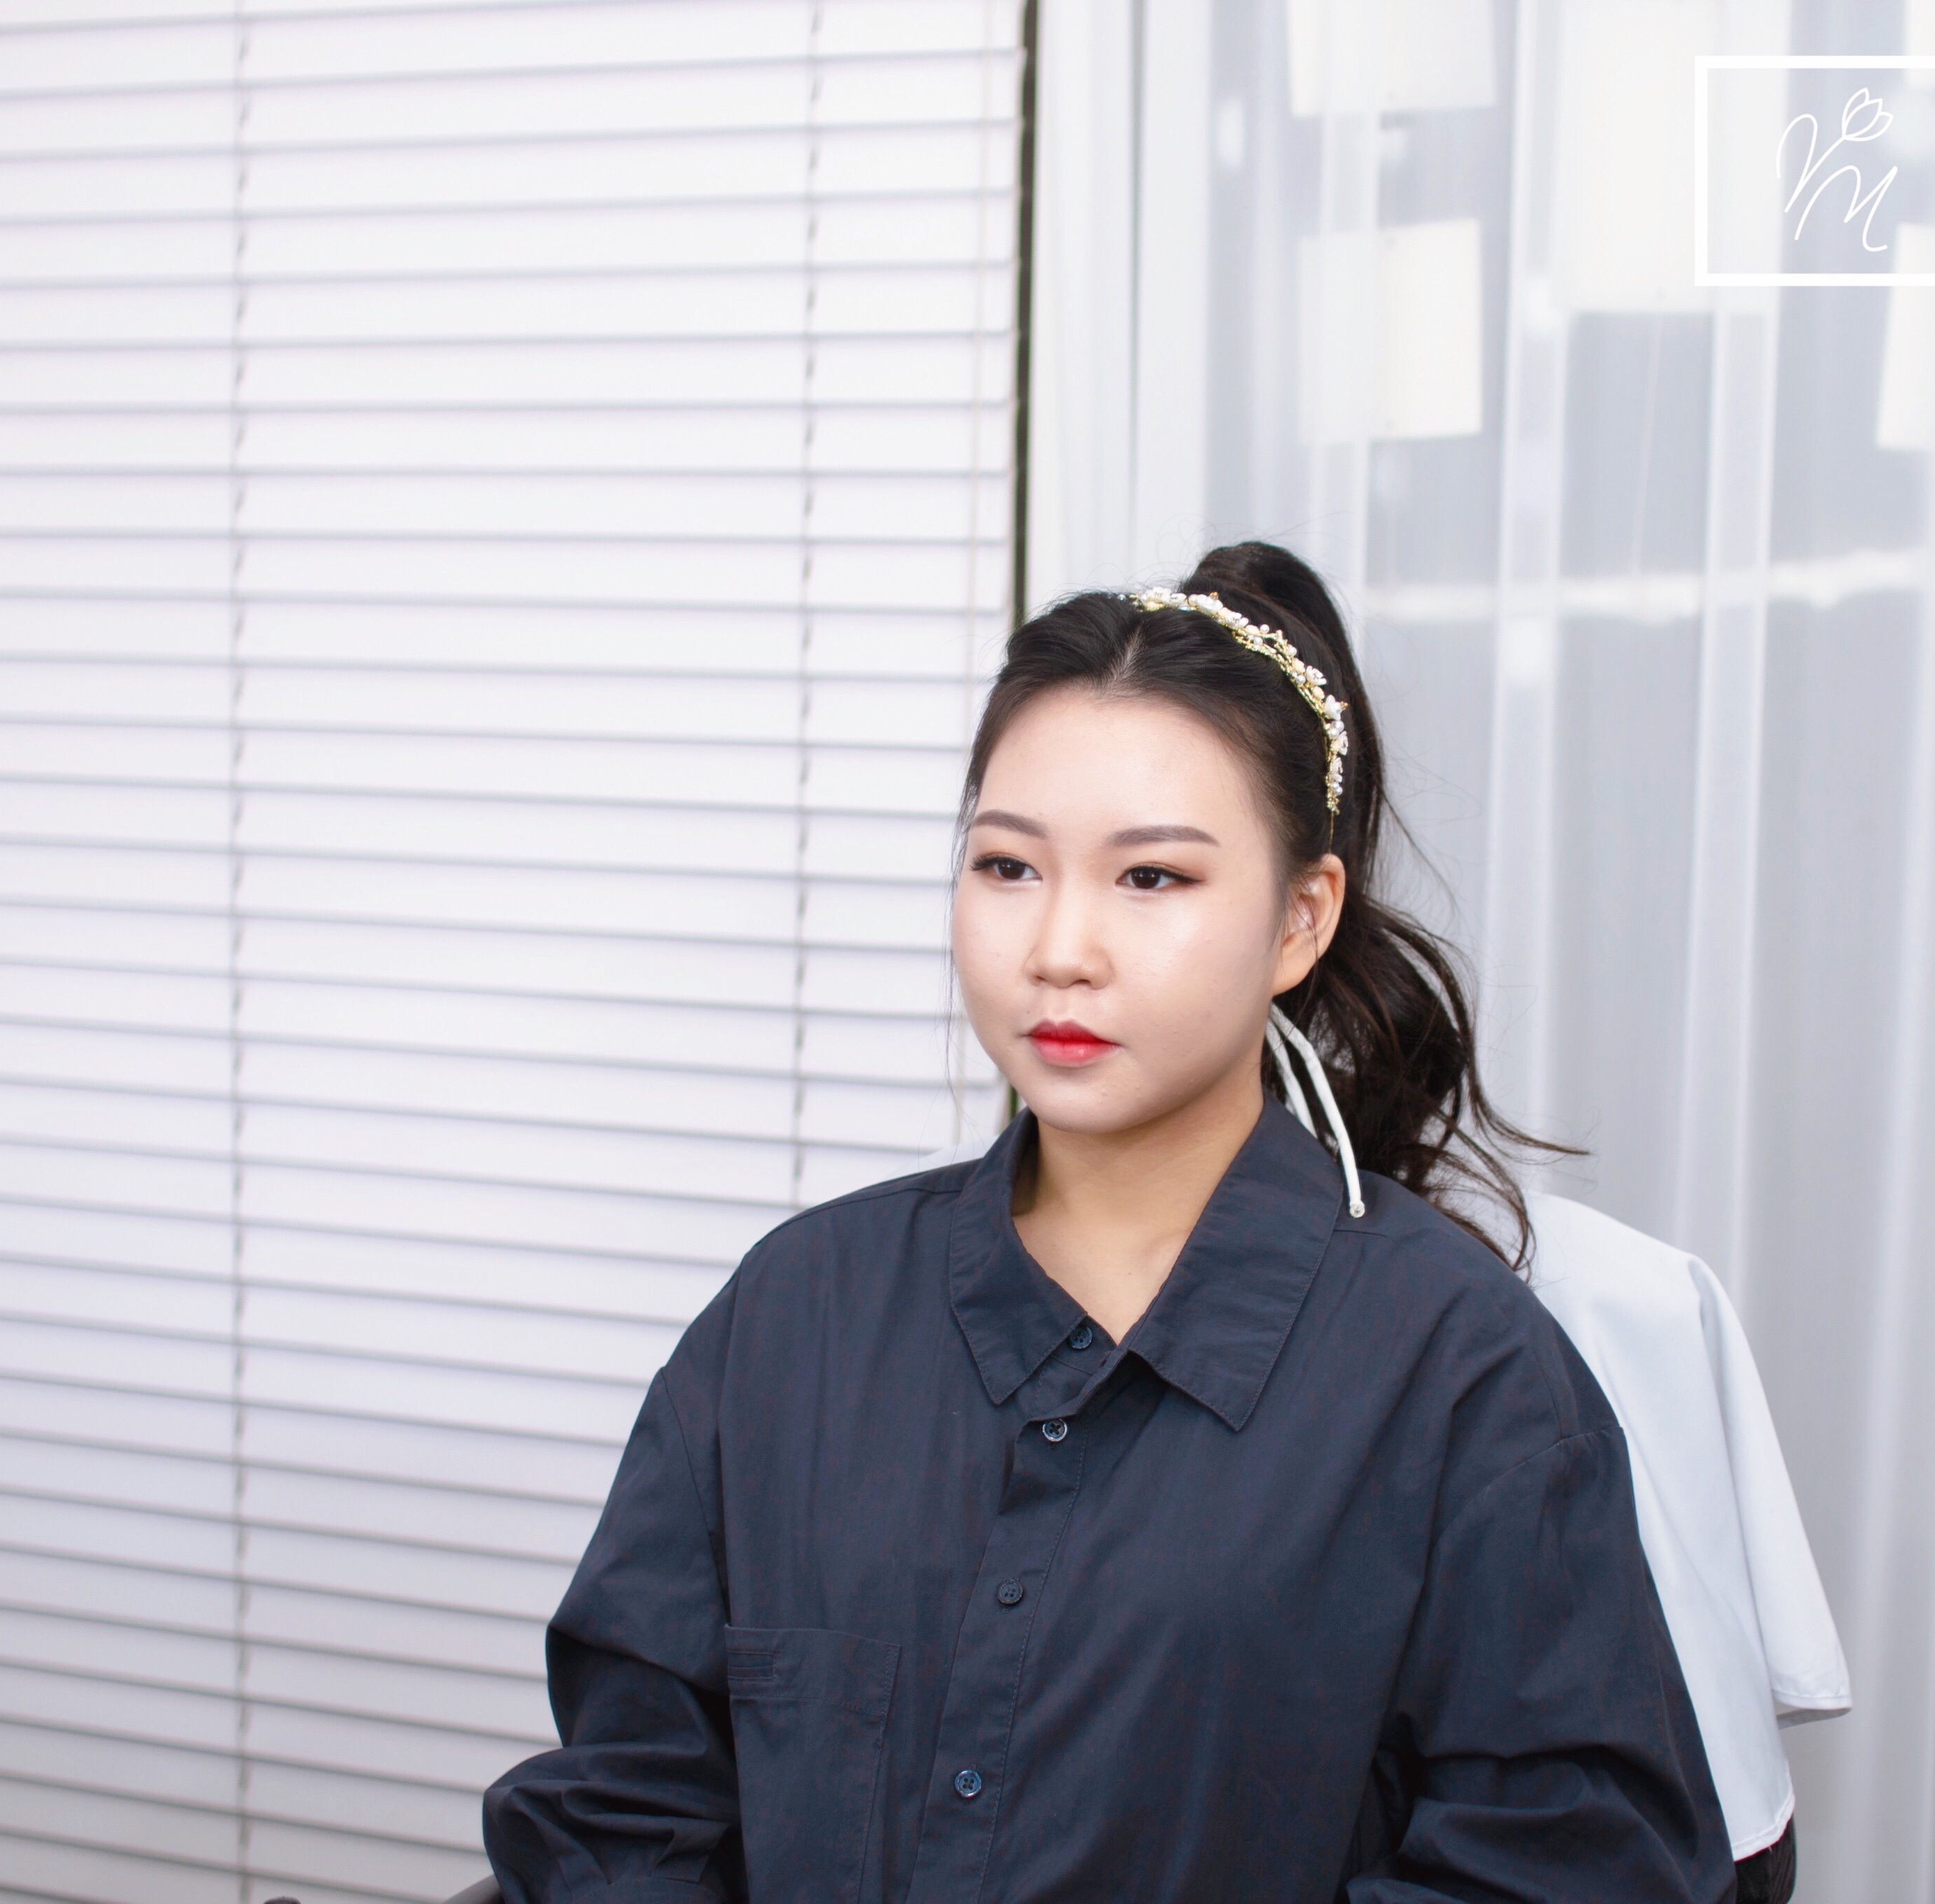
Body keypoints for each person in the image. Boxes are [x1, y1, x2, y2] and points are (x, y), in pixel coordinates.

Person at [482, 543, 1738, 1901]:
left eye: (1151, 879)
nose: (1058, 949)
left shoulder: (1460, 1374)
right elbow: (630, 1805)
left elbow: (1567, 1866)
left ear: (1300, 919)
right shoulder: (797, 1313)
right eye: (1007, 866)